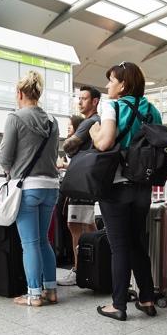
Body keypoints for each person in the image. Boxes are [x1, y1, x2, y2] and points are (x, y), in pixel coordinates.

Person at [88, 63, 162, 320]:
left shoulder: (112, 106)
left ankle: (118, 305)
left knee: (119, 246)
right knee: (138, 243)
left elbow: (105, 142)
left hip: (117, 185)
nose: (108, 86)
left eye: (111, 80)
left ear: (123, 85)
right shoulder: (152, 110)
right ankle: (147, 298)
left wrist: (94, 130)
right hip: (143, 186)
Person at [0, 71, 61, 306]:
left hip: (27, 188)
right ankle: (51, 291)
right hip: (52, 187)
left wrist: (12, 168)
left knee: (30, 243)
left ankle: (34, 295)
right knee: (44, 240)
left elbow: (4, 157)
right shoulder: (53, 122)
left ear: (20, 93)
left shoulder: (15, 118)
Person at [58, 86, 101, 286]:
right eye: (79, 98)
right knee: (89, 226)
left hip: (81, 182)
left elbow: (68, 146)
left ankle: (78, 270)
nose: (80, 102)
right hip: (89, 180)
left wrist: (69, 143)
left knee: (74, 225)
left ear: (95, 101)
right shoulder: (97, 122)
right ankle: (94, 265)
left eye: (84, 99)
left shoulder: (89, 122)